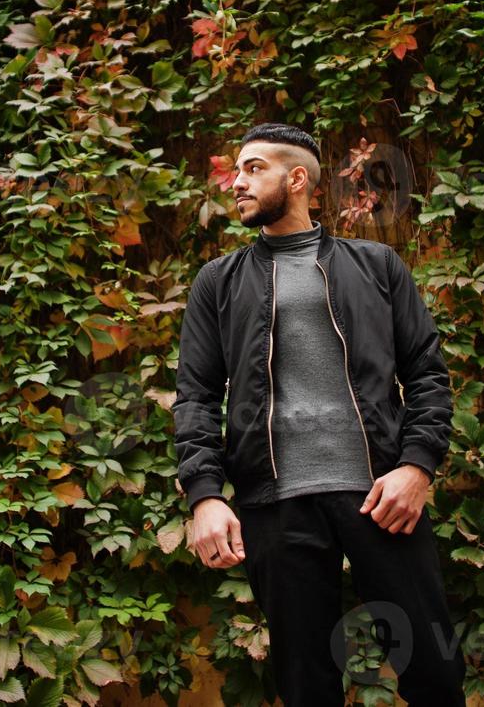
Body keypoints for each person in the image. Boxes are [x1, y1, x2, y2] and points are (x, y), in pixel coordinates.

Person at [172, 122, 467, 707]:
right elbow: (196, 395)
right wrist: (205, 495)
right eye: (237, 170)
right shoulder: (218, 282)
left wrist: (417, 467)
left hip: (382, 497)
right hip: (276, 507)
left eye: (254, 168)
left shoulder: (377, 265)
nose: (237, 182)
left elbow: (428, 375)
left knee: (434, 672)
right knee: (306, 687)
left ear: (298, 178)